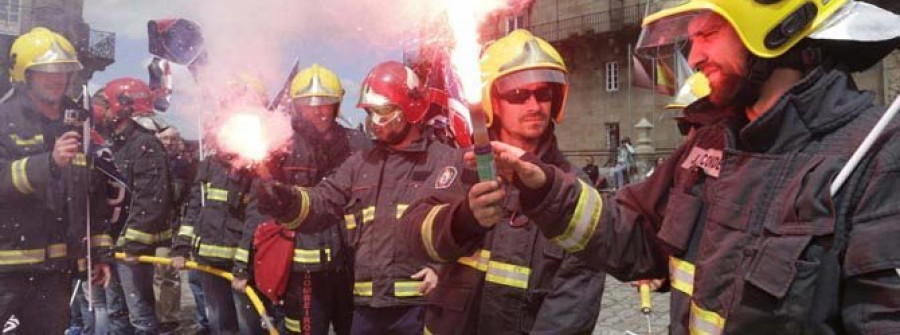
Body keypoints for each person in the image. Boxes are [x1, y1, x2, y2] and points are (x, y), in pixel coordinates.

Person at [467, 1, 900, 333]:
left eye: (708, 33)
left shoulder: (873, 159)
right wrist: (544, 189)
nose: (693, 57)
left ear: (778, 27)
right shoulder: (709, 145)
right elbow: (635, 240)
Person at [401, 29, 606, 335]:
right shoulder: (463, 166)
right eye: (518, 94)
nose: (534, 105)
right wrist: (462, 220)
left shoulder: (571, 187)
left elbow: (573, 308)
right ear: (492, 101)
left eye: (543, 93)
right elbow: (413, 236)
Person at [256, 61, 466, 335]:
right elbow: (323, 202)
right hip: (368, 308)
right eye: (370, 112)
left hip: (420, 306)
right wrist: (287, 201)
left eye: (385, 111)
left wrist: (442, 268)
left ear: (411, 108)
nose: (375, 121)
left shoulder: (445, 161)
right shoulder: (360, 164)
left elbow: (466, 225)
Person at [0, 27, 112, 334]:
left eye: (63, 71)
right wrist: (46, 163)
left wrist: (99, 254)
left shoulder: (79, 122)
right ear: (25, 74)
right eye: (46, 71)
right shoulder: (4, 119)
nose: (57, 78)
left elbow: (93, 194)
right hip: (7, 268)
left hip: (56, 273)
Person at [276, 63, 371, 335]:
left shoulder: (358, 144)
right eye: (308, 105)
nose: (318, 111)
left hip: (350, 263)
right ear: (296, 107)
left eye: (325, 104)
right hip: (303, 268)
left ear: (338, 105)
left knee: (352, 328)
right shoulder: (282, 146)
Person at [171, 75, 269, 335]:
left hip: (242, 269)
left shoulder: (256, 167)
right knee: (219, 326)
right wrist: (181, 247)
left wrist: (242, 267)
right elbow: (195, 208)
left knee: (249, 327)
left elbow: (255, 220)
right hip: (207, 262)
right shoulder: (210, 164)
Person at [95, 77, 174, 334]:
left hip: (131, 250)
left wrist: (132, 244)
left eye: (107, 105)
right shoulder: (115, 146)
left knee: (140, 314)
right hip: (114, 246)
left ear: (123, 107)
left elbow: (151, 200)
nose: (103, 112)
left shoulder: (145, 145)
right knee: (117, 311)